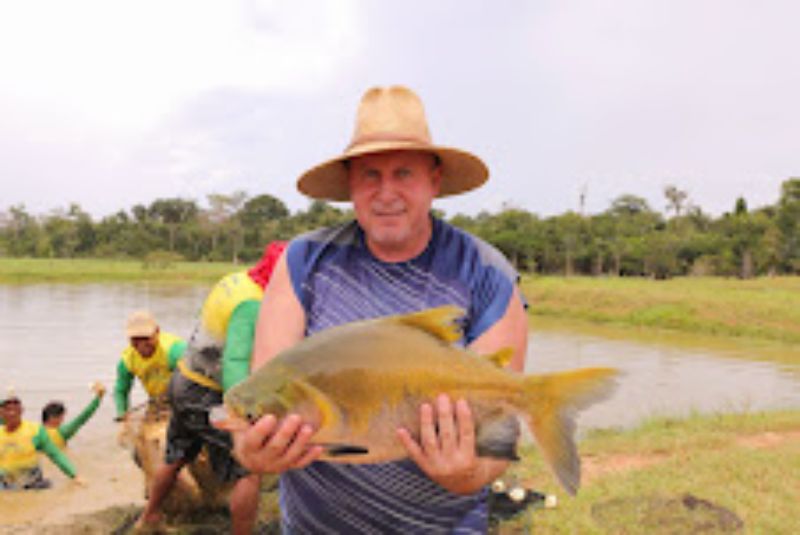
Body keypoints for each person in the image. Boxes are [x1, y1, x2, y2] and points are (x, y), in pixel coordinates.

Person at [228, 85, 528, 533]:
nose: (386, 192)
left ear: (435, 179)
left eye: (403, 173)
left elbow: (496, 443)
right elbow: (263, 395)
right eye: (370, 175)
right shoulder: (302, 261)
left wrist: (465, 474)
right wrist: (250, 452)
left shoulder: (487, 272)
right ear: (351, 184)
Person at [135, 241, 287, 534]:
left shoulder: (235, 281)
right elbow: (234, 362)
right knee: (248, 470)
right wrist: (244, 415)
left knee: (177, 455)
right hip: (206, 393)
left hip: (183, 380)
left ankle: (150, 515)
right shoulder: (252, 304)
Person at [114, 310, 186, 421]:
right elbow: (121, 391)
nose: (142, 345)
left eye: (146, 338)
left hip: (182, 400)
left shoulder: (173, 350)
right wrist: (122, 413)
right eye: (135, 340)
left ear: (157, 332)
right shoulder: (128, 360)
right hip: (156, 402)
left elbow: (198, 374)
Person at [1, 395, 83, 489]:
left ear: (22, 410)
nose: (12, 413)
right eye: (7, 409)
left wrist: (74, 476)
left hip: (32, 482)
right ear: (1, 412)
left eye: (16, 409)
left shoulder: (36, 431)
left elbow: (55, 454)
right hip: (5, 483)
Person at [42, 382, 106, 450]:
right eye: (61, 417)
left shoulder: (35, 432)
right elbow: (83, 417)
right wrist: (98, 397)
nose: (63, 420)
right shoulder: (62, 433)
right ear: (53, 418)